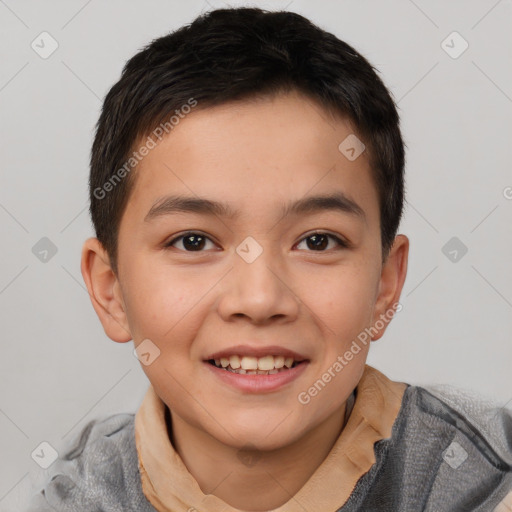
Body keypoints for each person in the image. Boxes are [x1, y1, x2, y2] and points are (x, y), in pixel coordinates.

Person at [25, 7, 512, 511]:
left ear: (385, 285)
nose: (258, 300)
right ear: (111, 289)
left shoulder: (483, 481)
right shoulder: (75, 497)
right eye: (193, 242)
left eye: (318, 241)